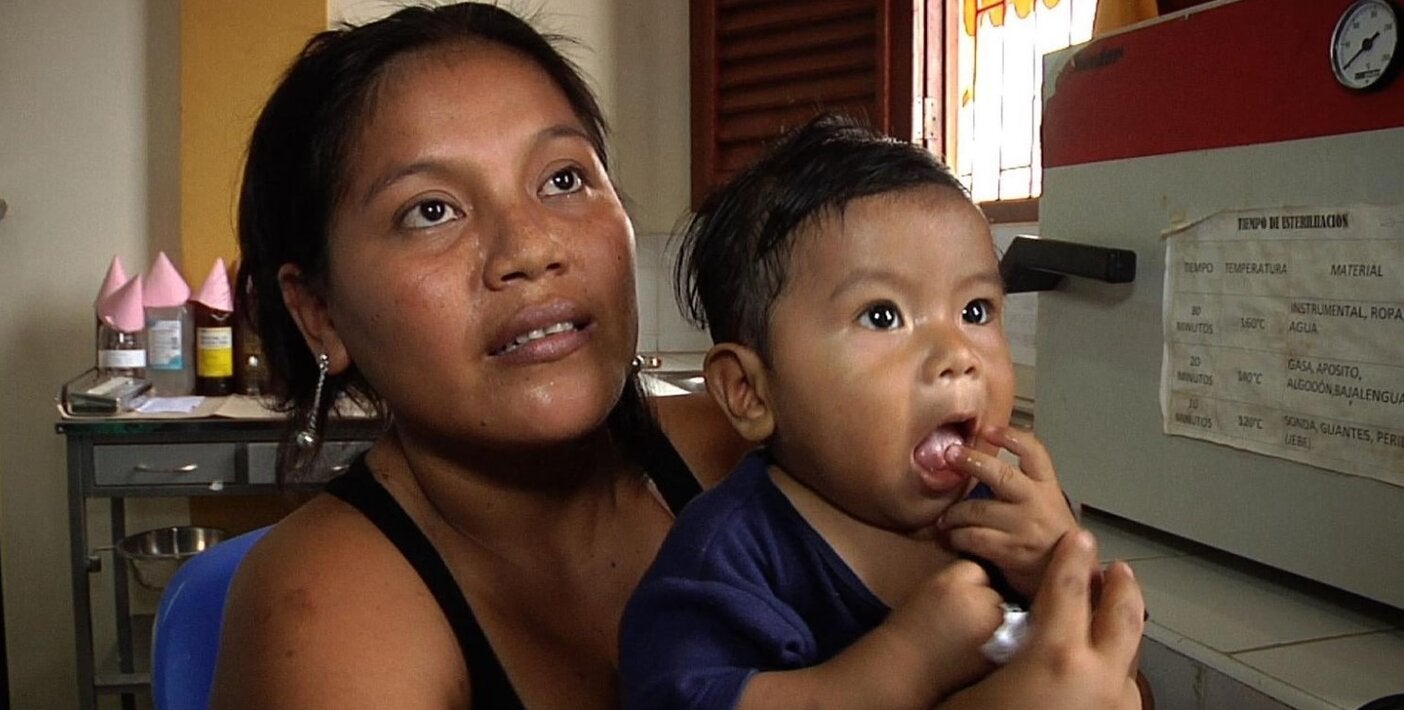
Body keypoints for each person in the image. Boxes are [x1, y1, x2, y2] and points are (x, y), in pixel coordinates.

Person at [209, 4, 1144, 708]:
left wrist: (1057, 570)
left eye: (565, 177)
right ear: (318, 310)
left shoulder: (803, 454)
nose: (532, 247)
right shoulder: (321, 609)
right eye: (430, 210)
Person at [620, 115, 1133, 709]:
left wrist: (1058, 572)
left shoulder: (1007, 520)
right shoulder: (728, 560)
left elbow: (1107, 673)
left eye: (975, 310)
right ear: (750, 392)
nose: (956, 355)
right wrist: (904, 664)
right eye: (883, 316)